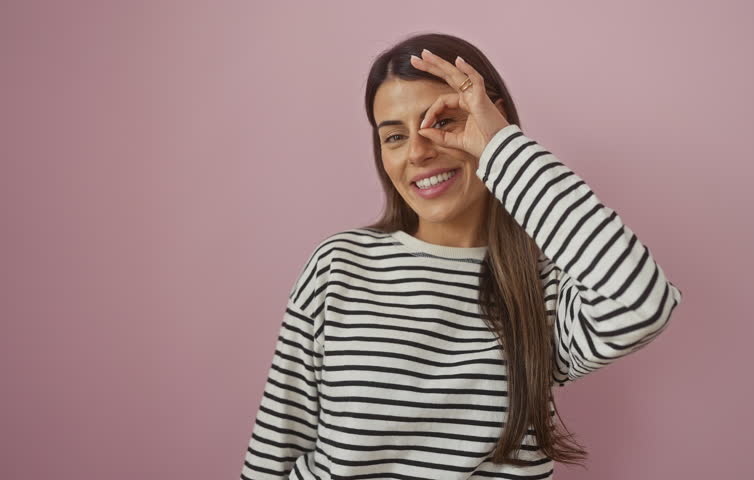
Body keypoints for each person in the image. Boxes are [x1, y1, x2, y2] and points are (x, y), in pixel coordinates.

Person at [238, 32, 683, 480]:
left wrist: (501, 144)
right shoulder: (339, 265)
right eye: (394, 136)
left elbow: (641, 304)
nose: (417, 152)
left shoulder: (541, 290)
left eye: (443, 122)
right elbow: (275, 448)